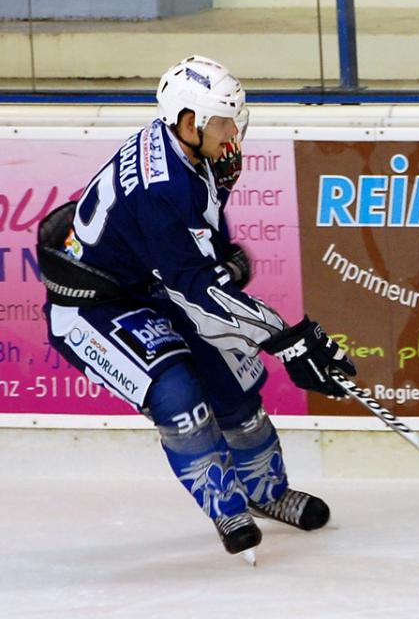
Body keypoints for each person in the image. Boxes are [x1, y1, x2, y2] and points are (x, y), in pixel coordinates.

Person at [37, 55, 356, 556]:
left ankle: (266, 493)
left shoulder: (190, 150)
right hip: (94, 306)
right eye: (225, 120)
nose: (235, 131)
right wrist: (291, 341)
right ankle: (227, 507)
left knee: (233, 384)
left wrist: (224, 261)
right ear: (191, 122)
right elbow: (199, 293)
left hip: (150, 282)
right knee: (179, 396)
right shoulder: (162, 186)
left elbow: (199, 252)